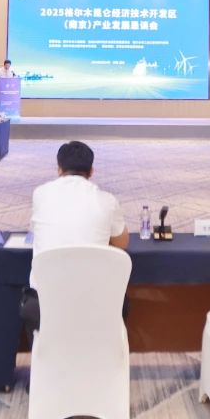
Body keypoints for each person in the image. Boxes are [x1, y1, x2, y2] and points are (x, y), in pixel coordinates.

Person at [21, 141, 129, 334]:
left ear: (59, 169)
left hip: (45, 307)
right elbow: (122, 243)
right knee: (122, 303)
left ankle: (45, 352)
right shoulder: (107, 200)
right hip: (96, 306)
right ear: (91, 171)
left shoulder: (40, 194)